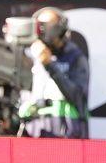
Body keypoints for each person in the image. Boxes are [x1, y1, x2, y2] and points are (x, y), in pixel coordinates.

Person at [19, 7, 89, 139]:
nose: (44, 31)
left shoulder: (75, 57)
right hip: (33, 133)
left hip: (67, 134)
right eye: (40, 26)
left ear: (62, 28)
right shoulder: (27, 57)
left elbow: (77, 96)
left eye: (50, 26)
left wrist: (49, 64)